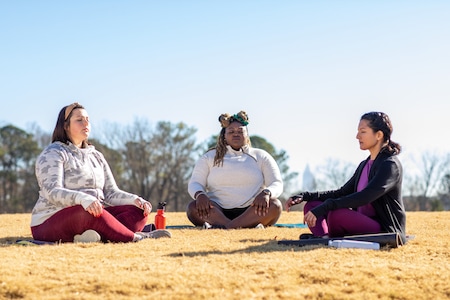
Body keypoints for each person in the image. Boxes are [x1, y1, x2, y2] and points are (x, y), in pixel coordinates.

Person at [30, 102, 171, 243]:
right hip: (50, 221)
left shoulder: (96, 156)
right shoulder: (53, 153)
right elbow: (52, 191)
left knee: (137, 211)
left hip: (92, 216)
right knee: (85, 212)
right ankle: (135, 237)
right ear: (65, 126)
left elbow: (110, 193)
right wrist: (83, 199)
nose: (85, 123)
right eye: (79, 120)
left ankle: (91, 236)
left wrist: (135, 200)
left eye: (87, 120)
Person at [286, 111, 407, 244]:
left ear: (378, 135)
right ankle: (325, 238)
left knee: (336, 214)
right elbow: (343, 192)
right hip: (361, 222)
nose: (357, 136)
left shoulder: (390, 165)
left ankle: (327, 238)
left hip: (384, 229)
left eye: (363, 131)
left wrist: (327, 206)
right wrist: (306, 196)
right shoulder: (364, 164)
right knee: (312, 205)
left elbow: (365, 196)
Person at [186, 111, 283, 229]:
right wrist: (200, 195)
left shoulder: (261, 156)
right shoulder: (209, 157)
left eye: (240, 131)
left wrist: (266, 193)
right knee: (193, 207)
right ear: (224, 136)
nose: (235, 134)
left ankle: (226, 227)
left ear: (247, 134)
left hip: (253, 210)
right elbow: (195, 183)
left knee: (275, 205)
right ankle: (235, 226)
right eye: (231, 131)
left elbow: (276, 183)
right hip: (216, 211)